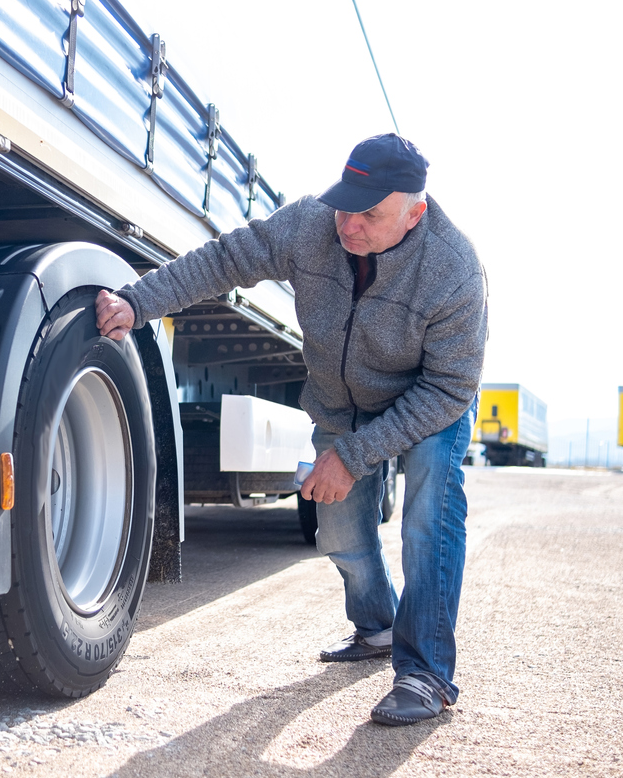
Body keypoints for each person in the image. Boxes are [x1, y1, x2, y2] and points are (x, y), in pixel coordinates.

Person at [95, 133, 487, 725]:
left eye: (370, 213)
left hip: (428, 404)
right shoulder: (311, 225)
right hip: (341, 405)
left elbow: (448, 389)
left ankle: (426, 673)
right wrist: (138, 301)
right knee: (341, 536)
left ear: (415, 214)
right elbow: (225, 259)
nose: (349, 224)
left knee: (429, 508)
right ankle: (378, 627)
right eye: (345, 203)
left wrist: (355, 457)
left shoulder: (454, 271)